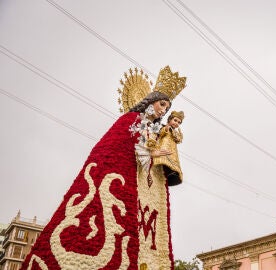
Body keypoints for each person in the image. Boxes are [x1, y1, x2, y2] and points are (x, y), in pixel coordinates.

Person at [21, 67, 186, 270]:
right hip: (117, 186)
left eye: (166, 108)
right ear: (151, 101)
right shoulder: (129, 121)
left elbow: (146, 157)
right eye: (162, 104)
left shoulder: (154, 131)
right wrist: (150, 153)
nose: (163, 111)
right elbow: (119, 148)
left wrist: (156, 158)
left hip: (144, 199)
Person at [153, 110, 185, 186]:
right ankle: (162, 169)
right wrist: (166, 129)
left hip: (172, 150)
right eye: (175, 120)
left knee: (173, 162)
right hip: (164, 146)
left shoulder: (176, 132)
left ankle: (171, 173)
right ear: (170, 119)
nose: (176, 123)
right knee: (164, 158)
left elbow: (178, 140)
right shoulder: (164, 126)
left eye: (179, 122)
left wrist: (179, 135)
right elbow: (161, 133)